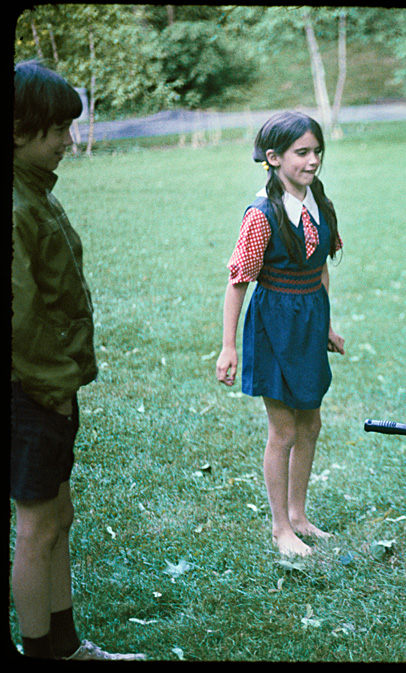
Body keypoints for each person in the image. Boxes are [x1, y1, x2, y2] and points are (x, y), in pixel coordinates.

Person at [12, 60, 146, 661]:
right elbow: (19, 320)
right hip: (32, 390)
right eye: (59, 129)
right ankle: (40, 652)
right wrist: (54, 386)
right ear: (19, 129)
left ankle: (65, 648)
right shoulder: (15, 205)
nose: (70, 140)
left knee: (58, 516)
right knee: (37, 528)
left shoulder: (33, 190)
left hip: (48, 389)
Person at [215, 111, 346, 557]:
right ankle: (279, 528)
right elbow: (238, 281)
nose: (312, 162)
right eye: (302, 153)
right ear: (273, 158)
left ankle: (299, 515)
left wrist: (327, 325)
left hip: (309, 322)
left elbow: (321, 267)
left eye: (317, 152)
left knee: (311, 421)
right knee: (284, 429)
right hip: (274, 324)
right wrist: (229, 345)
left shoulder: (319, 202)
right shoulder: (261, 214)